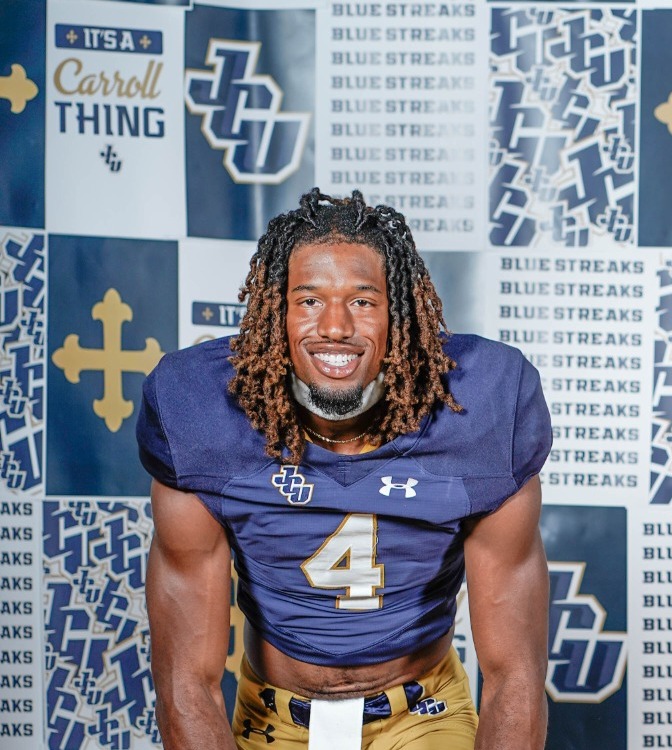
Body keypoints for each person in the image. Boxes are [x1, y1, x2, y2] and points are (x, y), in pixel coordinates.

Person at [138, 189, 552, 749]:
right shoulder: (202, 414)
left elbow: (515, 677)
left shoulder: (482, 410)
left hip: (423, 713)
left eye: (362, 300)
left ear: (398, 315)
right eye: (309, 300)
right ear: (276, 314)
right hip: (273, 717)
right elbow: (186, 682)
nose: (335, 326)